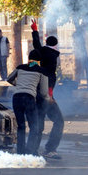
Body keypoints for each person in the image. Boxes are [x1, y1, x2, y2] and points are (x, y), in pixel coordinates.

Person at [31, 19, 63, 159]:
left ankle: (32, 150)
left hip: (37, 94)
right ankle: (50, 149)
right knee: (59, 121)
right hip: (46, 95)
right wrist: (49, 95)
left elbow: (36, 45)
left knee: (39, 124)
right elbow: (49, 76)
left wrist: (35, 30)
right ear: (55, 45)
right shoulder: (52, 56)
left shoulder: (42, 52)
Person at [7, 49, 50, 155]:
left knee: (21, 126)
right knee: (34, 127)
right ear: (39, 60)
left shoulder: (20, 67)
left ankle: (20, 152)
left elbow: (9, 79)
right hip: (29, 98)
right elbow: (44, 92)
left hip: (16, 98)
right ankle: (30, 152)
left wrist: (19, 85)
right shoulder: (42, 71)